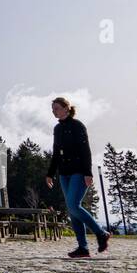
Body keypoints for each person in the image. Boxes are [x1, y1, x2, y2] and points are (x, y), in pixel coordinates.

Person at [44, 97, 109, 258]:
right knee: (73, 211)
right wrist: (50, 173)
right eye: (53, 109)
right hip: (64, 173)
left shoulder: (77, 126)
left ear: (67, 108)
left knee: (73, 205)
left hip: (79, 171)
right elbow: (56, 152)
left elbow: (85, 150)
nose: (54, 111)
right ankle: (83, 248)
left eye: (57, 108)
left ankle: (101, 233)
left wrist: (88, 172)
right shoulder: (57, 129)